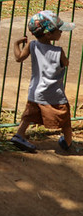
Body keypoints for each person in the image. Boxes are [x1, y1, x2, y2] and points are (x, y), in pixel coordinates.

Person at [10, 10, 75, 153]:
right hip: (54, 93)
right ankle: (68, 142)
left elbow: (18, 58)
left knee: (29, 114)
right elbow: (66, 63)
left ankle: (19, 134)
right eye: (59, 30)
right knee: (64, 119)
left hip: (36, 91)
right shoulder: (58, 51)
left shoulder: (31, 45)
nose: (61, 33)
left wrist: (16, 43)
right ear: (48, 34)